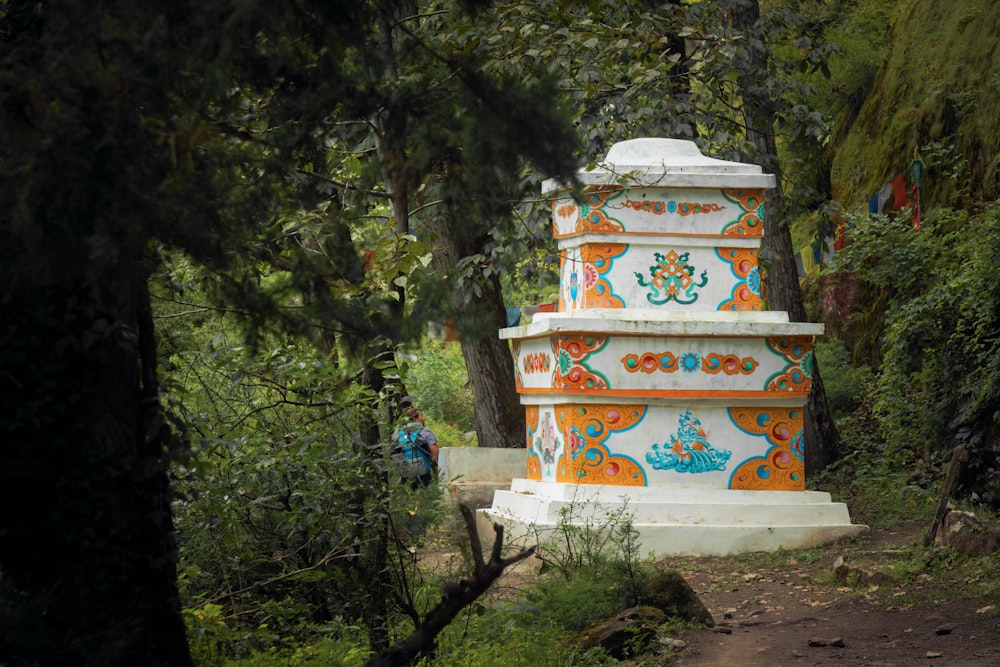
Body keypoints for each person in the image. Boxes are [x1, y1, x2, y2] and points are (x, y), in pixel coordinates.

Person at [398, 407, 439, 488]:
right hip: (423, 470)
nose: (423, 418)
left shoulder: (400, 433)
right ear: (414, 418)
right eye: (421, 415)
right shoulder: (425, 431)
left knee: (408, 493)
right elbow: (434, 450)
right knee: (425, 492)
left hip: (405, 470)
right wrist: (436, 465)